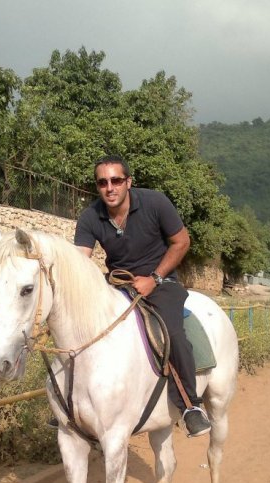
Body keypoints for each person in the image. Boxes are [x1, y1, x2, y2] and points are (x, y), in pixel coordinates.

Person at [72, 155, 212, 438]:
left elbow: (181, 241)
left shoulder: (155, 202)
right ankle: (76, 407)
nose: (109, 187)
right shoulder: (90, 217)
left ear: (128, 182)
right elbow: (80, 262)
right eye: (102, 182)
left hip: (161, 283)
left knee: (170, 331)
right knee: (80, 331)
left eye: (116, 180)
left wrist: (156, 278)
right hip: (119, 285)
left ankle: (190, 406)